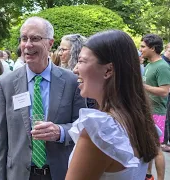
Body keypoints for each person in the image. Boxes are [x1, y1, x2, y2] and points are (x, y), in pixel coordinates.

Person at [0, 16, 85, 180]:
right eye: (24, 39)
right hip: (20, 174)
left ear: (50, 43)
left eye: (35, 38)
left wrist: (61, 132)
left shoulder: (71, 82)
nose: (28, 45)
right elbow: (1, 138)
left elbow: (83, 128)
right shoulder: (6, 84)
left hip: (60, 173)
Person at [66, 30, 159, 180]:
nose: (75, 69)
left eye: (82, 61)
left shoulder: (101, 132)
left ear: (108, 70)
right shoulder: (138, 120)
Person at [140, 34, 170, 180]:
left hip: (157, 112)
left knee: (156, 149)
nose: (141, 50)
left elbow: (165, 91)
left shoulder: (162, 67)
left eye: (143, 47)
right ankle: (148, 175)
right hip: (147, 110)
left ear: (152, 48)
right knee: (148, 146)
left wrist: (143, 86)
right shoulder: (149, 65)